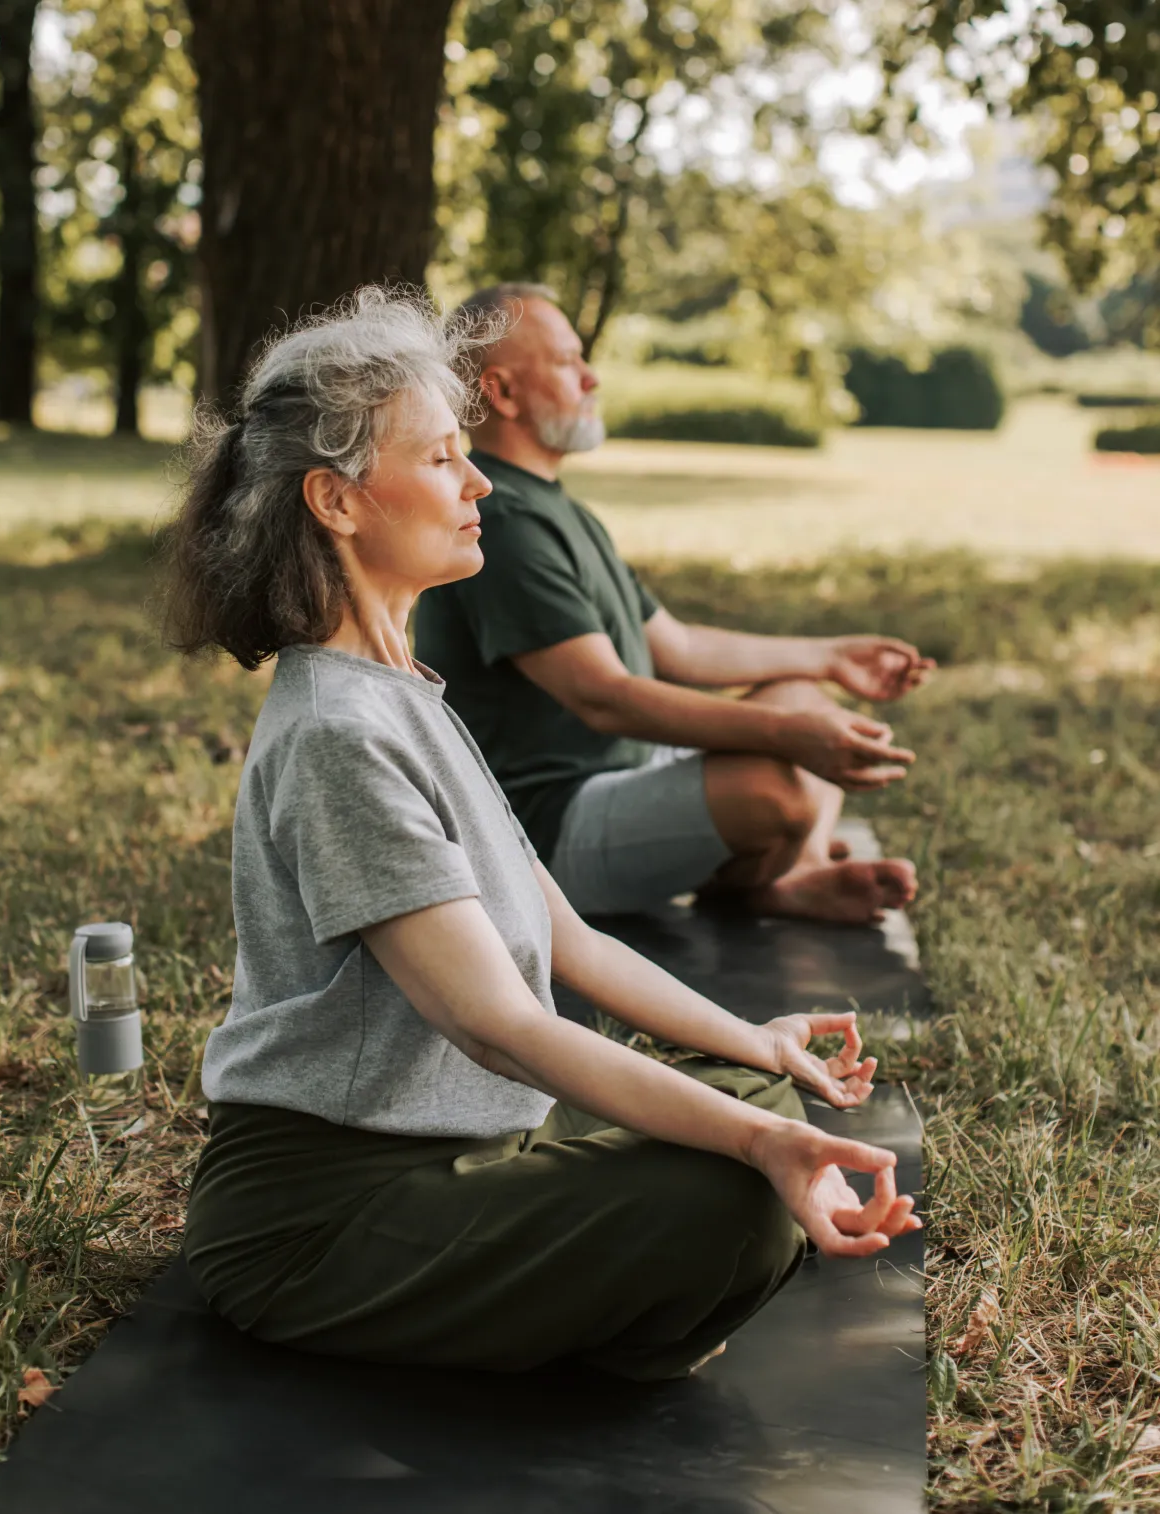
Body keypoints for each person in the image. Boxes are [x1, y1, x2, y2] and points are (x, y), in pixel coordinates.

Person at [164, 287, 919, 1383]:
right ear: (335, 498)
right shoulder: (337, 731)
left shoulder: (404, 692)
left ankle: (586, 1291)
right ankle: (586, 1307)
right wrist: (759, 1146)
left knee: (753, 1098)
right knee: (737, 1192)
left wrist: (758, 1044)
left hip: (475, 1145)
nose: (477, 484)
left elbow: (573, 941)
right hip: (323, 1214)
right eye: (438, 460)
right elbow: (500, 1025)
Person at [414, 284, 935, 924]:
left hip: (624, 775)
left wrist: (829, 658)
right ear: (504, 393)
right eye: (567, 362)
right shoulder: (505, 521)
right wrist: (790, 737)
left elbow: (678, 648)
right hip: (542, 832)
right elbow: (603, 697)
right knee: (778, 788)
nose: (591, 377)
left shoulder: (557, 509)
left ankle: (790, 877)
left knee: (803, 697)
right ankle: (773, 873)